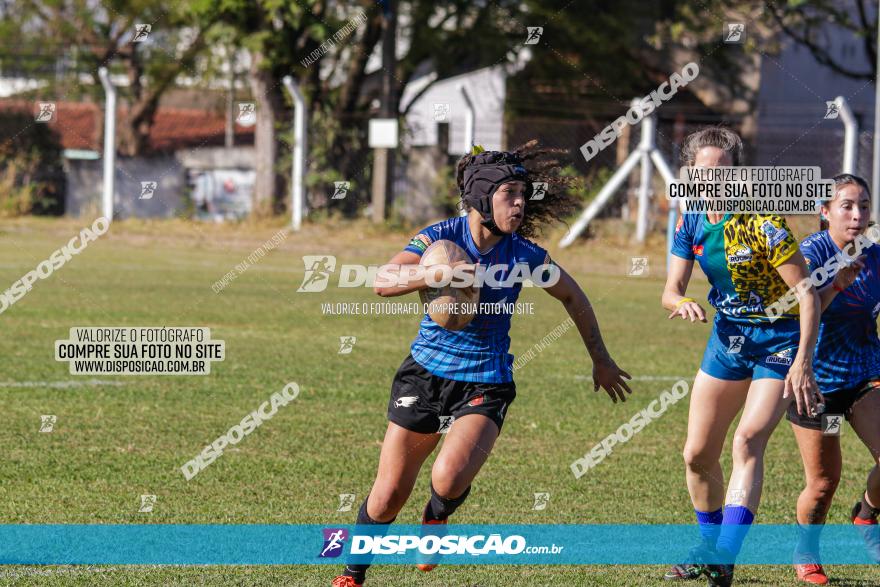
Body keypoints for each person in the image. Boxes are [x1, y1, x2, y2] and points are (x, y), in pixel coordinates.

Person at [332, 143, 633, 587]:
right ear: (479, 198)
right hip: (425, 374)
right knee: (387, 497)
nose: (519, 203)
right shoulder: (438, 237)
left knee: (448, 479)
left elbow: (573, 295)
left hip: (486, 382)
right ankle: (352, 575)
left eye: (523, 194)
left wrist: (601, 360)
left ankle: (436, 518)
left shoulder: (523, 254)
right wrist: (433, 275)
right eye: (509, 193)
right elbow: (382, 281)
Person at [661, 127, 821, 586]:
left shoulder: (762, 218)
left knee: (748, 440)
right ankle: (709, 549)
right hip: (729, 339)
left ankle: (723, 558)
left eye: (724, 171)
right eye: (705, 170)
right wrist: (680, 302)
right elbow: (670, 291)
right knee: (696, 454)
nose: (714, 179)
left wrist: (802, 362)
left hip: (781, 340)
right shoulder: (689, 217)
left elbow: (806, 295)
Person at [786, 174, 880, 585]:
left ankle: (866, 514)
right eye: (846, 205)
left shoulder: (876, 255)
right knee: (824, 482)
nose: (857, 215)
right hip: (817, 386)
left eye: (863, 205)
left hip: (865, 375)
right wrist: (836, 285)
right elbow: (790, 310)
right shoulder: (809, 254)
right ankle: (806, 552)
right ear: (825, 213)